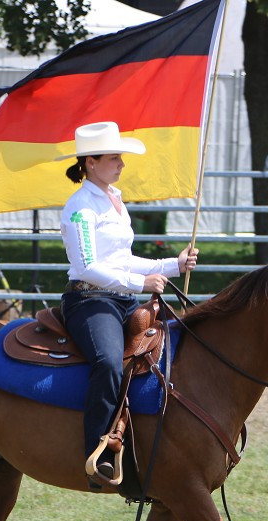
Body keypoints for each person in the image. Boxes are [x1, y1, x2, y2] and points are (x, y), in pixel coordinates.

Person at [57, 121, 198, 489]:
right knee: (107, 361)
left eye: (120, 157)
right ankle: (97, 453)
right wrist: (141, 283)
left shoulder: (114, 200)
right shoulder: (80, 208)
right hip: (88, 299)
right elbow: (88, 266)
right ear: (90, 162)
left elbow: (124, 258)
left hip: (121, 298)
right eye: (114, 157)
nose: (121, 164)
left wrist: (172, 265)